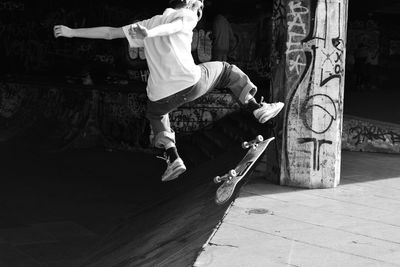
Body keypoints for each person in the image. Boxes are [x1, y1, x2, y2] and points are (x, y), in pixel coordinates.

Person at [53, 0, 284, 182]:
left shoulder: (147, 22)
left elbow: (109, 33)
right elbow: (175, 26)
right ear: (191, 3)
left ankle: (173, 157)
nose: (199, 9)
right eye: (198, 6)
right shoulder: (186, 14)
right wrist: (150, 34)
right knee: (226, 71)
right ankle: (256, 108)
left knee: (155, 115)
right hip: (190, 83)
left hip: (160, 95)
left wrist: (72, 32)